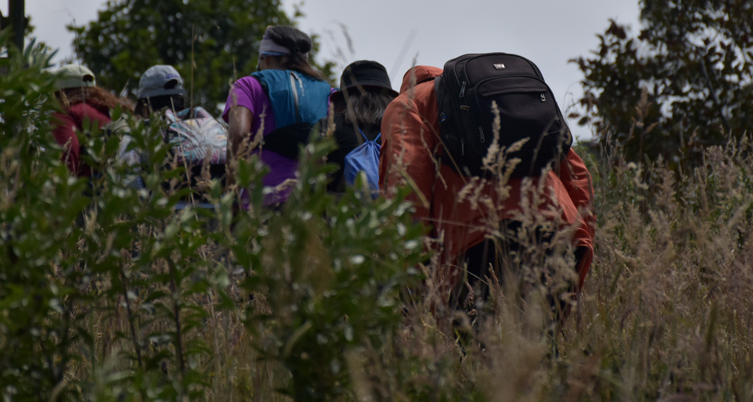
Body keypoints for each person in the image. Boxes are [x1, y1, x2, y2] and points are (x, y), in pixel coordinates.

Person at [379, 63, 595, 317]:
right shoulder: (492, 99)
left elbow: (408, 181)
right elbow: (577, 174)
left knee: (478, 348)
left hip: (479, 241)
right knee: (540, 346)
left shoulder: (407, 104)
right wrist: (583, 238)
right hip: (559, 228)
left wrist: (415, 269)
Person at [223, 25, 331, 207]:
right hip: (313, 204)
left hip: (262, 202)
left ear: (266, 58)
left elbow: (239, 135)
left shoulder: (248, 85)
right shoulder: (329, 91)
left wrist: (230, 194)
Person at [120, 65, 227, 201]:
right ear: (181, 101)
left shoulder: (139, 133)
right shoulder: (212, 126)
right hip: (219, 213)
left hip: (165, 216)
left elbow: (130, 182)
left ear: (144, 107)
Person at [318, 60, 398, 193]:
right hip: (389, 210)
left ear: (345, 98)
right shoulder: (400, 128)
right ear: (388, 99)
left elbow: (311, 172)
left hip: (340, 210)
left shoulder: (329, 125)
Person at [51, 63, 131, 178]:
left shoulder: (65, 112)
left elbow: (69, 152)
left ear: (59, 92)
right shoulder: (112, 109)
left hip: (92, 188)